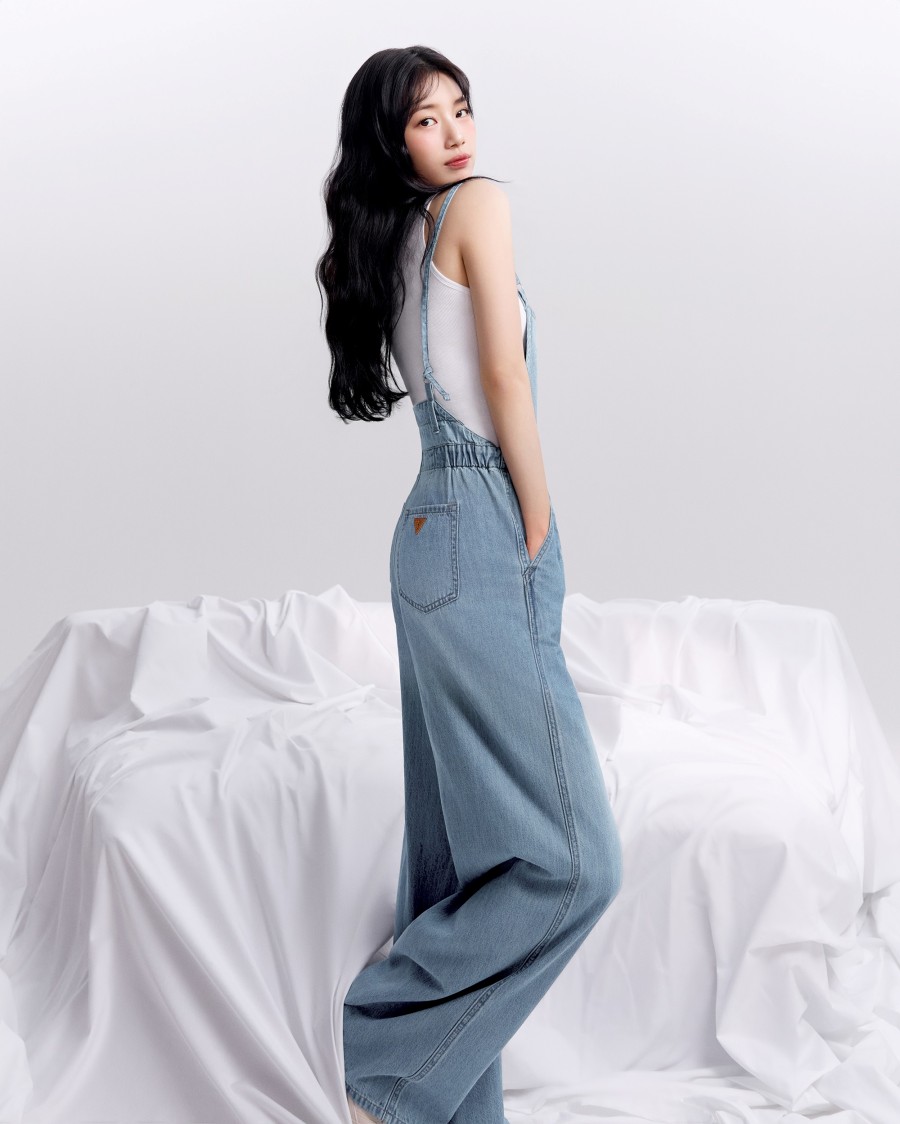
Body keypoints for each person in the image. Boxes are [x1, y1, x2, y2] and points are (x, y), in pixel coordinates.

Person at [316, 45, 623, 1124]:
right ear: (391, 140)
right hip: (482, 512)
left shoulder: (389, 238)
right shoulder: (478, 205)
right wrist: (538, 521)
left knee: (456, 858)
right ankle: (379, 1051)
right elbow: (501, 376)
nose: (454, 133)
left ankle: (441, 1108)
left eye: (461, 109)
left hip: (422, 528)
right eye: (424, 119)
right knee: (575, 862)